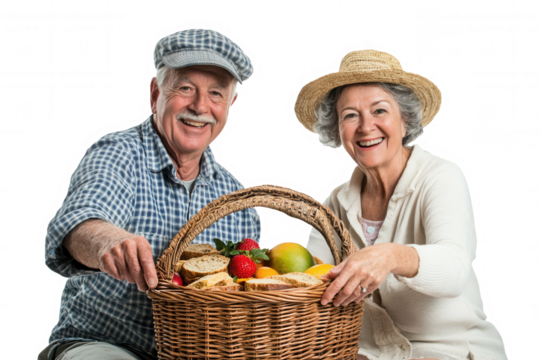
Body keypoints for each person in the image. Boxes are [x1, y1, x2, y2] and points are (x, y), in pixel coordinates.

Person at [36, 27, 262, 360]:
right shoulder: (117, 153)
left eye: (216, 93)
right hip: (105, 343)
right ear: (155, 93)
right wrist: (107, 242)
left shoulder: (238, 200)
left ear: (231, 103)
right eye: (185, 88)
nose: (200, 106)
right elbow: (81, 222)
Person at [293, 48, 509, 360]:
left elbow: (455, 268)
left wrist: (391, 256)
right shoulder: (337, 200)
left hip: (453, 352)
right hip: (369, 354)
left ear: (405, 119)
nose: (366, 127)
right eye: (350, 115)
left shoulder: (441, 176)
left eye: (379, 111)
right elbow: (309, 276)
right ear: (337, 131)